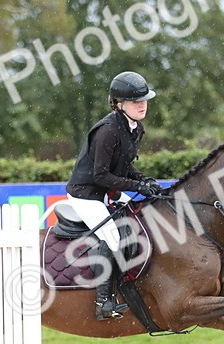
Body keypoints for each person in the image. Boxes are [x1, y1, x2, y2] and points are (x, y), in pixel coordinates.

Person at [64, 71, 163, 320]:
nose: (142, 105)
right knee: (113, 236)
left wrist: (143, 179)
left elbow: (124, 165)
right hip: (86, 194)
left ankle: (129, 284)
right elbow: (100, 175)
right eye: (135, 101)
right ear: (119, 104)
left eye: (144, 100)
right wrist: (137, 187)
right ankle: (102, 303)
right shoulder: (108, 130)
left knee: (140, 220)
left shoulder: (135, 128)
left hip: (106, 191)